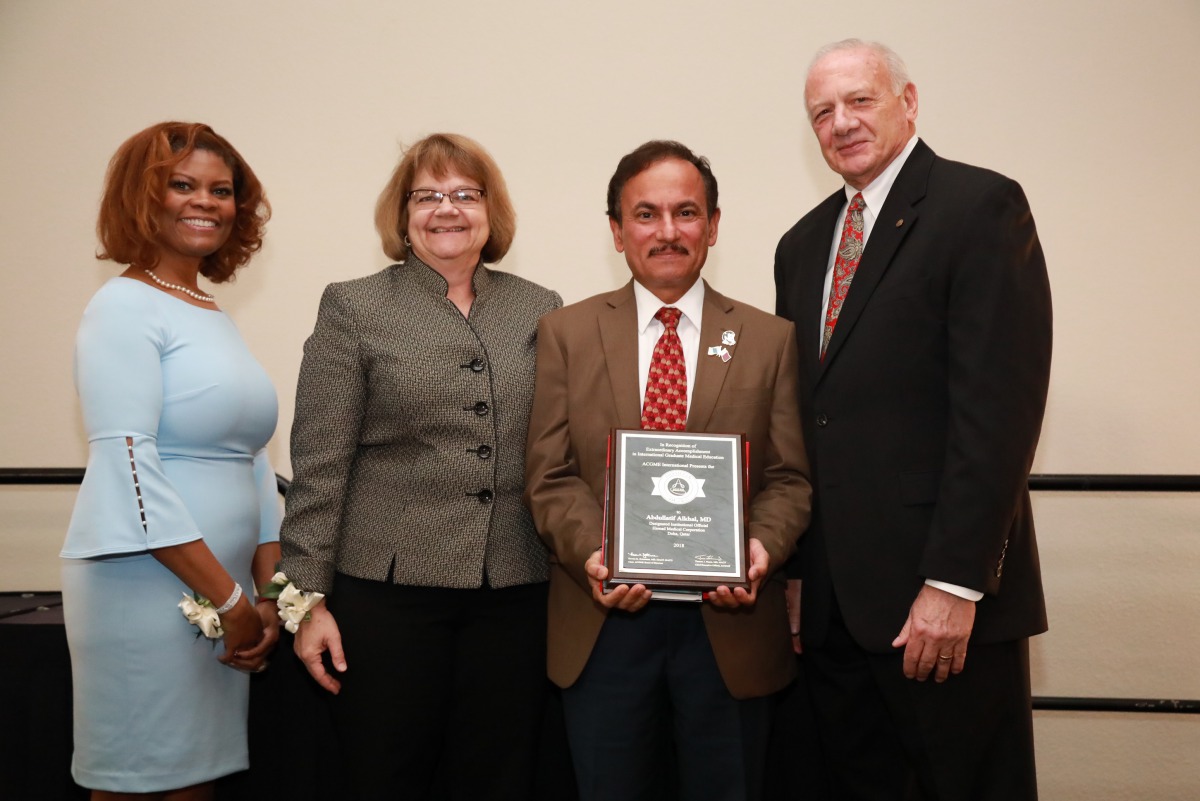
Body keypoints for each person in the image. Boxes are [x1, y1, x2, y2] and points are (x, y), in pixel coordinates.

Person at [774, 39, 1053, 800]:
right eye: (821, 112)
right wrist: (799, 575)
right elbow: (806, 421)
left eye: (859, 100)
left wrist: (955, 582)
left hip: (940, 605)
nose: (841, 123)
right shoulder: (800, 246)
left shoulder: (980, 207)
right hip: (832, 615)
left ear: (909, 101)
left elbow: (997, 412)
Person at [277, 133, 562, 800]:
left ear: (491, 211)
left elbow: (560, 446)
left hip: (514, 591)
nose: (447, 209)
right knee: (385, 772)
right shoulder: (354, 306)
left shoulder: (538, 305)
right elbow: (319, 462)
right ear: (401, 214)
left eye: (466, 194)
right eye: (427, 195)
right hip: (387, 597)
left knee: (499, 774)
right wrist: (305, 602)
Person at [525, 140, 812, 801]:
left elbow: (791, 478)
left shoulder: (770, 339)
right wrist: (595, 555)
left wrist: (760, 550)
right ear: (617, 230)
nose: (667, 231)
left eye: (686, 213)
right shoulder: (564, 333)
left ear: (712, 226)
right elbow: (548, 473)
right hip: (604, 628)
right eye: (646, 214)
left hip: (731, 632)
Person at [62, 121, 280, 800]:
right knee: (145, 780)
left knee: (194, 781)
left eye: (221, 190)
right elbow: (129, 468)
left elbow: (252, 462)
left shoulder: (206, 310)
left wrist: (270, 595)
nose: (206, 202)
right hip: (147, 589)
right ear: (143, 196)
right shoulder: (122, 306)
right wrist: (230, 596)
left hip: (227, 596)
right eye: (183, 185)